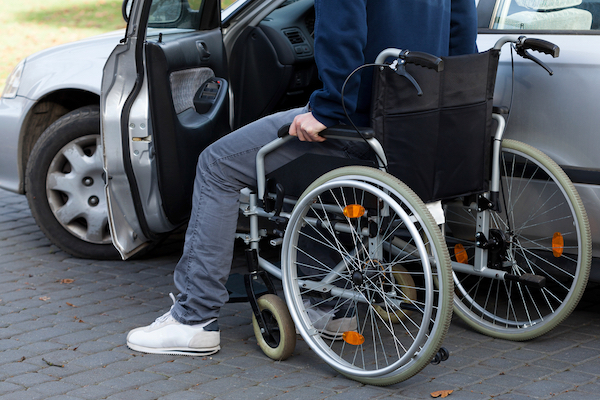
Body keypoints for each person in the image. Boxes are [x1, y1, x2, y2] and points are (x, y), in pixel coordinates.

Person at [126, 0, 478, 356]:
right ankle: (329, 308)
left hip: (360, 119)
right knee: (316, 176)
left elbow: (342, 34)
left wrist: (328, 110)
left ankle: (193, 319)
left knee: (217, 165)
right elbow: (462, 39)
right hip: (415, 123)